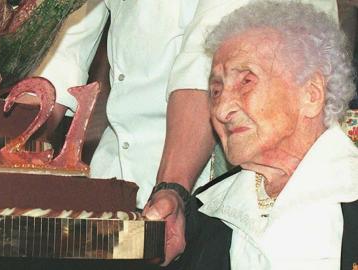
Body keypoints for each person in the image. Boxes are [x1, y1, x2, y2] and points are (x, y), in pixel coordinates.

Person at [33, 0, 338, 265]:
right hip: (117, 183)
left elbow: (207, 66)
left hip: (209, 187)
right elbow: (58, 53)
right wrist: (3, 160)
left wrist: (173, 189)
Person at [173, 1, 358, 269]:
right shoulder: (203, 212)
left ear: (311, 93)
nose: (222, 109)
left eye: (246, 82)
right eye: (215, 91)